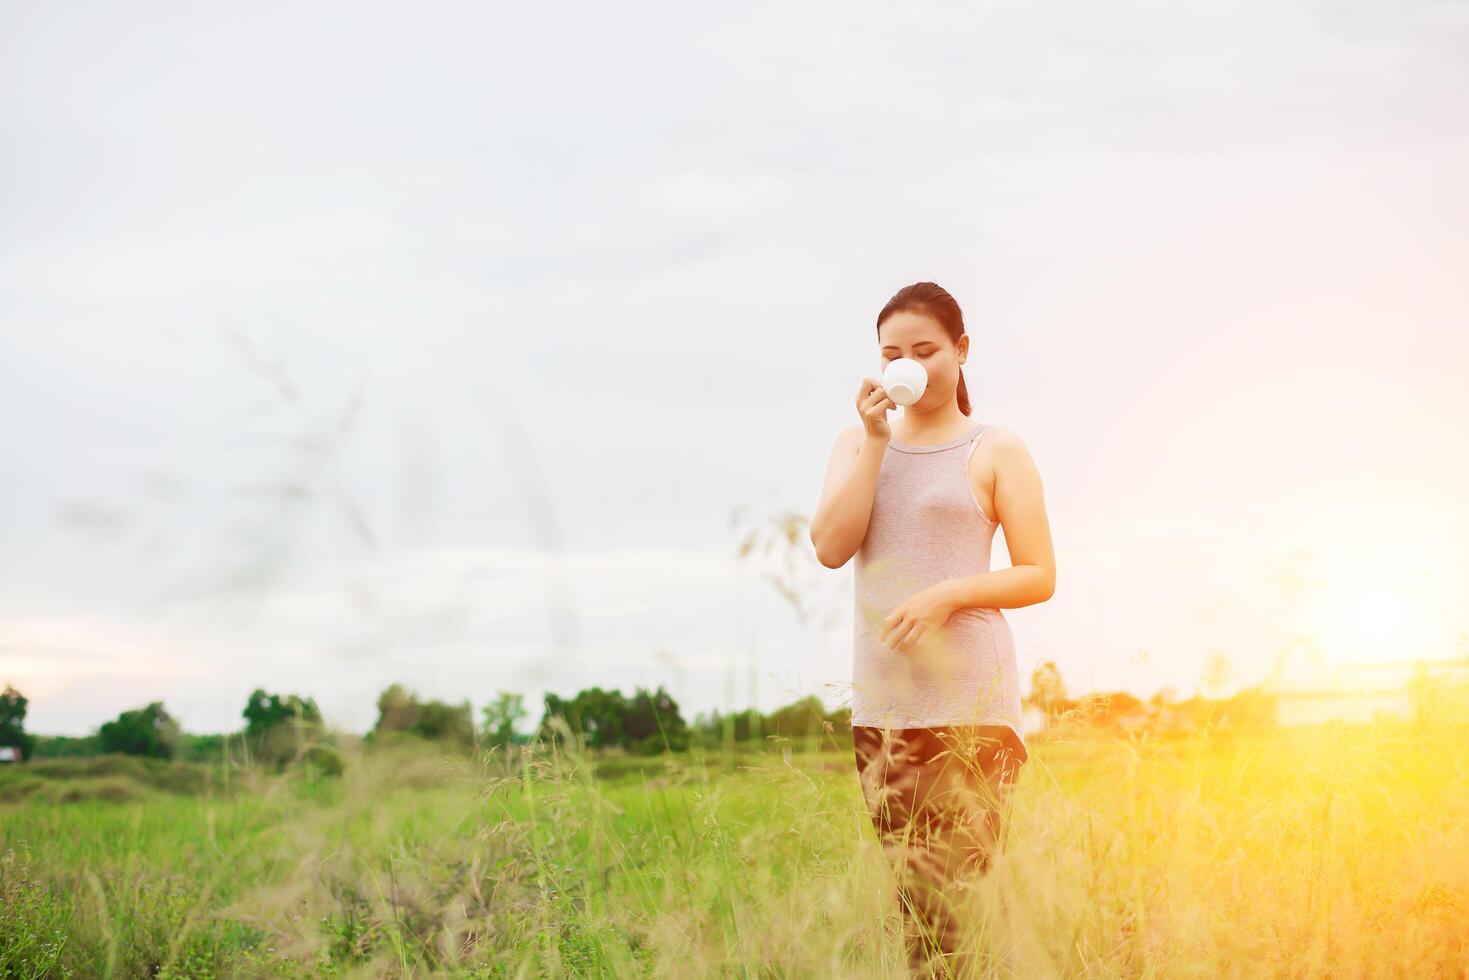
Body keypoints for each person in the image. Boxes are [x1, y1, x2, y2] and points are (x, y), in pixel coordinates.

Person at [809, 281, 1057, 978]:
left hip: (972, 710)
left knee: (962, 907)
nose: (908, 364)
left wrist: (949, 593)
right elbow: (830, 547)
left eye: (924, 349)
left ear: (961, 351)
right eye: (892, 353)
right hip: (883, 712)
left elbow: (1038, 573)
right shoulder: (858, 443)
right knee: (917, 912)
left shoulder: (995, 446)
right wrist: (873, 442)